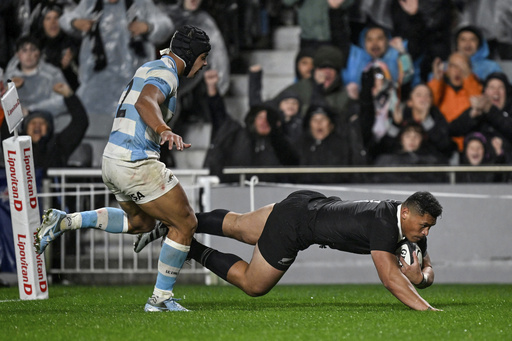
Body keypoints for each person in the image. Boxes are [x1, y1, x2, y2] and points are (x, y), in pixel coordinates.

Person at [34, 25, 211, 312]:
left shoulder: (149, 66)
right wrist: (163, 129)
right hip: (135, 161)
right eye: (203, 57)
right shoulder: (167, 73)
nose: (204, 65)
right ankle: (161, 299)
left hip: (112, 159)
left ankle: (65, 221)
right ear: (191, 55)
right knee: (185, 223)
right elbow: (145, 101)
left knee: (141, 224)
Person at [137, 190, 444, 311]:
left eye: (429, 227)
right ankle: (189, 246)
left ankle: (179, 225)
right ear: (406, 214)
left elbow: (426, 268)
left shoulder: (410, 229)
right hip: (296, 227)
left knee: (240, 226)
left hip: (304, 202)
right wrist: (426, 309)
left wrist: (421, 278)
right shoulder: (385, 224)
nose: (426, 231)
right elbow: (390, 278)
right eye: (424, 224)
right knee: (253, 285)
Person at [4, 35, 71, 132]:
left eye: (33, 50)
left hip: (49, 123)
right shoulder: (9, 76)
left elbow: (62, 100)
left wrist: (30, 110)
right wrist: (8, 91)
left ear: (39, 53)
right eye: (24, 50)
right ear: (17, 54)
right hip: (19, 128)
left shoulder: (53, 73)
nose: (29, 54)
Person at [449, 72, 512, 163]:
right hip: (478, 173)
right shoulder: (478, 112)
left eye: (500, 87)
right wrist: (471, 116)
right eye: (492, 87)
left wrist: (491, 110)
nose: (496, 91)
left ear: (506, 93)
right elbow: (452, 130)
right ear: (485, 92)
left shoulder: (509, 111)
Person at [428, 52, 483, 151]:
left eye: (462, 66)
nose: (458, 71)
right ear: (447, 68)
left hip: (470, 147)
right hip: (442, 145)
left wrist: (468, 78)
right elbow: (429, 105)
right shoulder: (439, 85)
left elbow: (478, 104)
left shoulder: (476, 86)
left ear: (469, 69)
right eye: (454, 66)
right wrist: (437, 80)